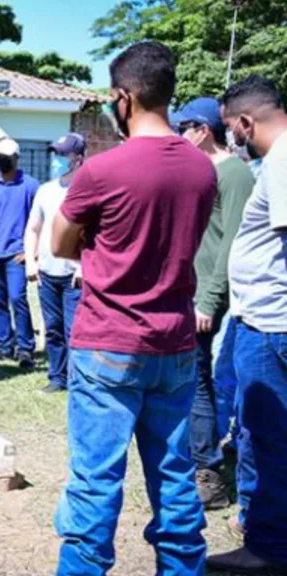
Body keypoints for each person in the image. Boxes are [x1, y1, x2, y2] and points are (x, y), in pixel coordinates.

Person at [51, 41, 214, 576]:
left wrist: (100, 246)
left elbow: (59, 244)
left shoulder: (102, 171)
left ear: (123, 97)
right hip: (175, 343)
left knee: (96, 480)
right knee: (175, 476)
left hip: (109, 343)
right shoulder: (202, 169)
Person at [206, 75, 287, 575]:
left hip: (270, 324)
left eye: (229, 128)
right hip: (267, 321)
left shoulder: (279, 163)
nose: (232, 137)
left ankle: (270, 548)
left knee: (267, 434)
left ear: (243, 122)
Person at [170, 97, 256, 511]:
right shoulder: (199, 171)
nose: (178, 136)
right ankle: (191, 460)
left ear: (203, 130)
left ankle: (209, 473)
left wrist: (208, 299)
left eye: (183, 128)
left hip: (210, 298)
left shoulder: (235, 173)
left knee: (201, 381)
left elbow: (232, 244)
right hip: (186, 290)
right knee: (188, 379)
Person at [24, 134, 86, 393]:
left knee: (75, 332)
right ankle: (56, 377)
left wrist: (84, 266)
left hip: (75, 276)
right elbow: (33, 229)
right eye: (56, 154)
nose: (57, 159)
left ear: (79, 158)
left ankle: (77, 381)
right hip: (48, 273)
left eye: (63, 154)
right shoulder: (45, 191)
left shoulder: (87, 191)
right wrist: (31, 262)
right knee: (52, 329)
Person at [0, 138, 38, 368]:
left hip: (16, 255)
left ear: (16, 159)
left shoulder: (31, 186)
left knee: (17, 298)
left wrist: (30, 252)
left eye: (7, 158)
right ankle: (4, 345)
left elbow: (39, 222)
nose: (2, 161)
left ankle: (25, 348)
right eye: (0, 157)